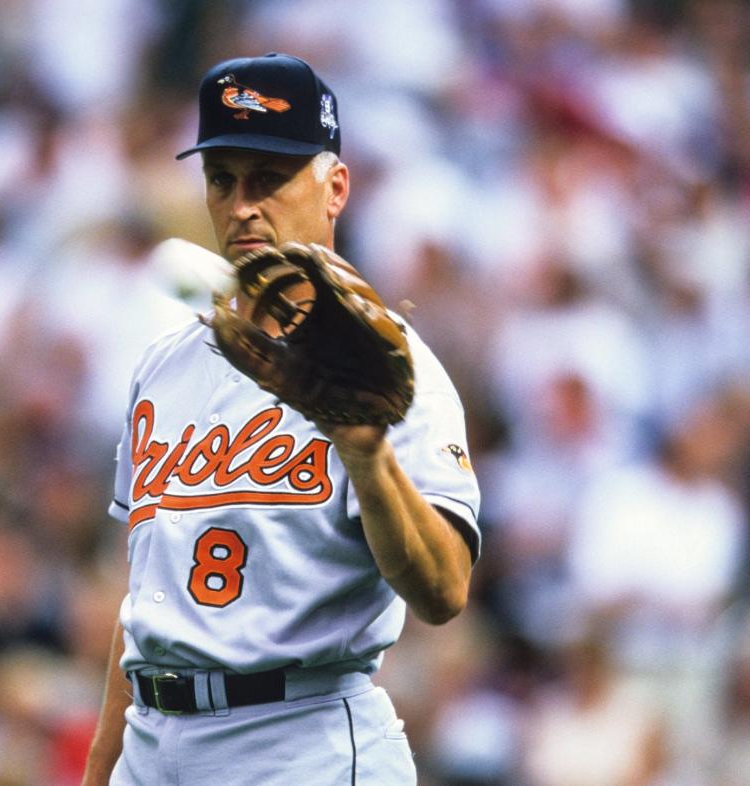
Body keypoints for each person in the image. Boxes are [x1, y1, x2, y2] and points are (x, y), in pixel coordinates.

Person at [82, 53, 481, 785]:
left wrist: (366, 452)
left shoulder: (396, 372)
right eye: (222, 180)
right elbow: (144, 608)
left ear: (335, 189)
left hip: (301, 743)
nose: (241, 207)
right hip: (154, 746)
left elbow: (444, 591)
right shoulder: (164, 365)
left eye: (268, 180)